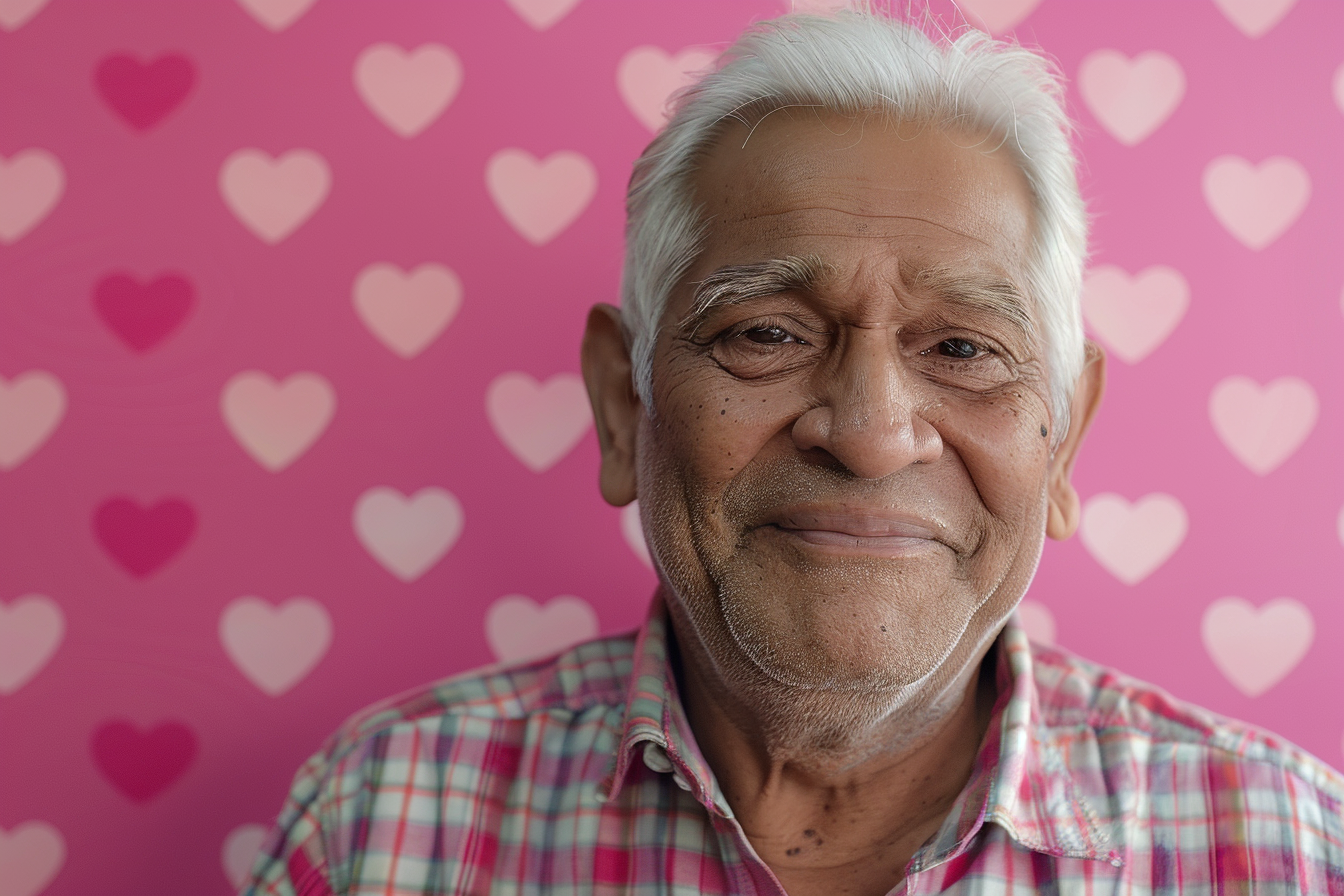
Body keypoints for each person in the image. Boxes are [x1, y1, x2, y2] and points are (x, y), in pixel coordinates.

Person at [241, 9, 1344, 895]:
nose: (869, 434)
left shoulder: (1290, 846)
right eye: (766, 333)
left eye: (964, 348)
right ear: (624, 407)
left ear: (1063, 443)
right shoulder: (381, 824)